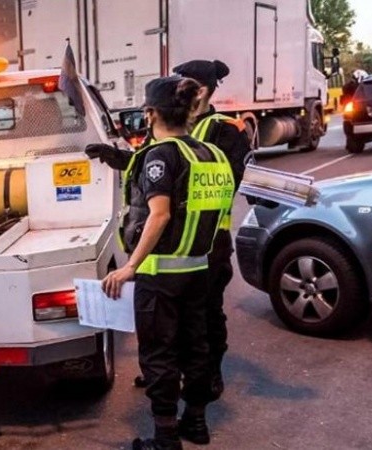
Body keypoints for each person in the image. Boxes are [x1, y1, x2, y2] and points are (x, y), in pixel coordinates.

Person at [97, 76, 234, 450]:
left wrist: (130, 266)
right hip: (199, 268)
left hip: (161, 274)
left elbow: (160, 214)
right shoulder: (212, 154)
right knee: (197, 348)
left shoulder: (160, 155)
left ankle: (165, 438)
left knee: (160, 354)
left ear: (151, 114)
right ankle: (196, 422)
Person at [172, 59, 253, 403]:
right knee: (174, 313)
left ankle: (210, 372)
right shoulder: (170, 125)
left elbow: (234, 181)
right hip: (173, 242)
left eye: (182, 84)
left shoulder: (227, 129)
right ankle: (174, 369)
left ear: (201, 90)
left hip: (210, 242)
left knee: (206, 313)